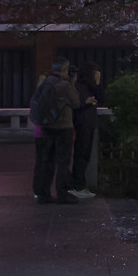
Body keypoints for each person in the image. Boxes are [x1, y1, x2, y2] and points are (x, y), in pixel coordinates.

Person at [30, 57, 79, 203]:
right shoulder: (65, 85)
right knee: (63, 162)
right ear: (64, 70)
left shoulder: (46, 82)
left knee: (47, 161)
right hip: (63, 127)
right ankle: (62, 193)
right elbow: (76, 103)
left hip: (46, 127)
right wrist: (72, 83)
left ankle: (44, 193)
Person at [69, 64, 105, 199]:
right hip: (82, 124)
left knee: (85, 154)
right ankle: (77, 186)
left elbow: (102, 98)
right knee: (81, 154)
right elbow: (76, 104)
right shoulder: (79, 87)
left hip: (88, 124)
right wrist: (86, 101)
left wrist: (97, 83)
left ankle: (79, 185)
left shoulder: (90, 87)